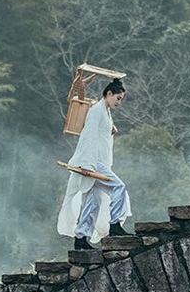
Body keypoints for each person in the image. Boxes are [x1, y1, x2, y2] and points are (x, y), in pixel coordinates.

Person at [57, 79, 133, 250]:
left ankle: (81, 238)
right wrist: (87, 165)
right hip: (92, 162)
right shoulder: (96, 111)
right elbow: (88, 137)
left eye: (121, 100)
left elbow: (101, 132)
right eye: (118, 98)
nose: (119, 103)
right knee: (118, 187)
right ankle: (114, 225)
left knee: (94, 201)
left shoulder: (105, 111)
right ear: (109, 94)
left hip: (98, 161)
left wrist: (111, 128)